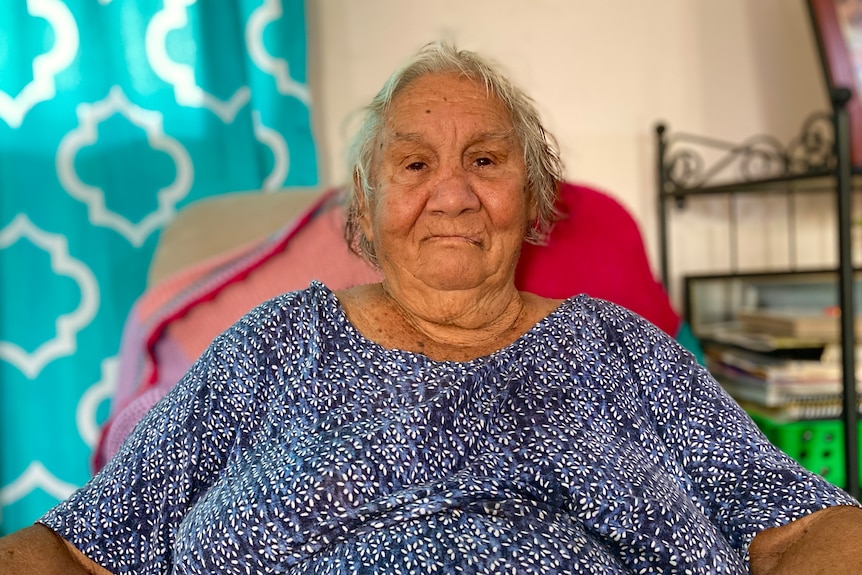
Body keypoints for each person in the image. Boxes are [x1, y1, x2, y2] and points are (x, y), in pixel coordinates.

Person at [2, 41, 861, 575]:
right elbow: (78, 545)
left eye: (486, 160)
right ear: (366, 214)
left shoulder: (623, 351)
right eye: (413, 165)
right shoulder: (275, 345)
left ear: (532, 202)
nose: (451, 194)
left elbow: (808, 526)